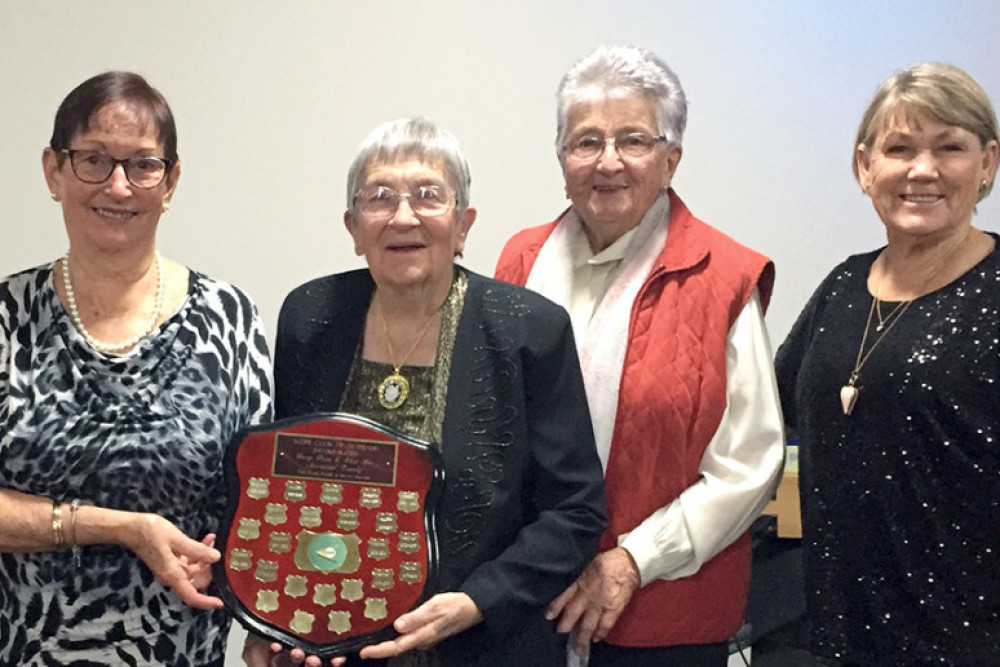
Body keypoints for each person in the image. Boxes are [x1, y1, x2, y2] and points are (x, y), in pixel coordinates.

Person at [243, 117, 606, 667]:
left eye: (428, 196)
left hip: (486, 644)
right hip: (337, 644)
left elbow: (574, 512)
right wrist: (273, 620)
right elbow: (283, 488)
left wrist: (475, 602)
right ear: (353, 226)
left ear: (463, 224)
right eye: (380, 197)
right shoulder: (311, 317)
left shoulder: (528, 329)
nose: (403, 216)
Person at [495, 45, 785, 666]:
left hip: (662, 615)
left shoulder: (723, 276)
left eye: (633, 140)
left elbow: (748, 466)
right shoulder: (519, 262)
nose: (608, 162)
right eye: (586, 142)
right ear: (562, 158)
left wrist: (633, 560)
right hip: (526, 604)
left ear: (671, 158)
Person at [0, 71, 273, 666]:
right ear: (53, 170)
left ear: (170, 180)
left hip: (179, 649)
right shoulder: (5, 318)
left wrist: (269, 617)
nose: (118, 186)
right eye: (93, 160)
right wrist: (119, 527)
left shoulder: (229, 318)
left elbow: (260, 498)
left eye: (143, 165)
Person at [775, 62, 1000, 665]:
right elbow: (769, 412)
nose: (922, 170)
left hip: (971, 642)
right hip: (841, 636)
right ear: (864, 166)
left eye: (949, 147)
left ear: (987, 164)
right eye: (899, 148)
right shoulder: (843, 286)